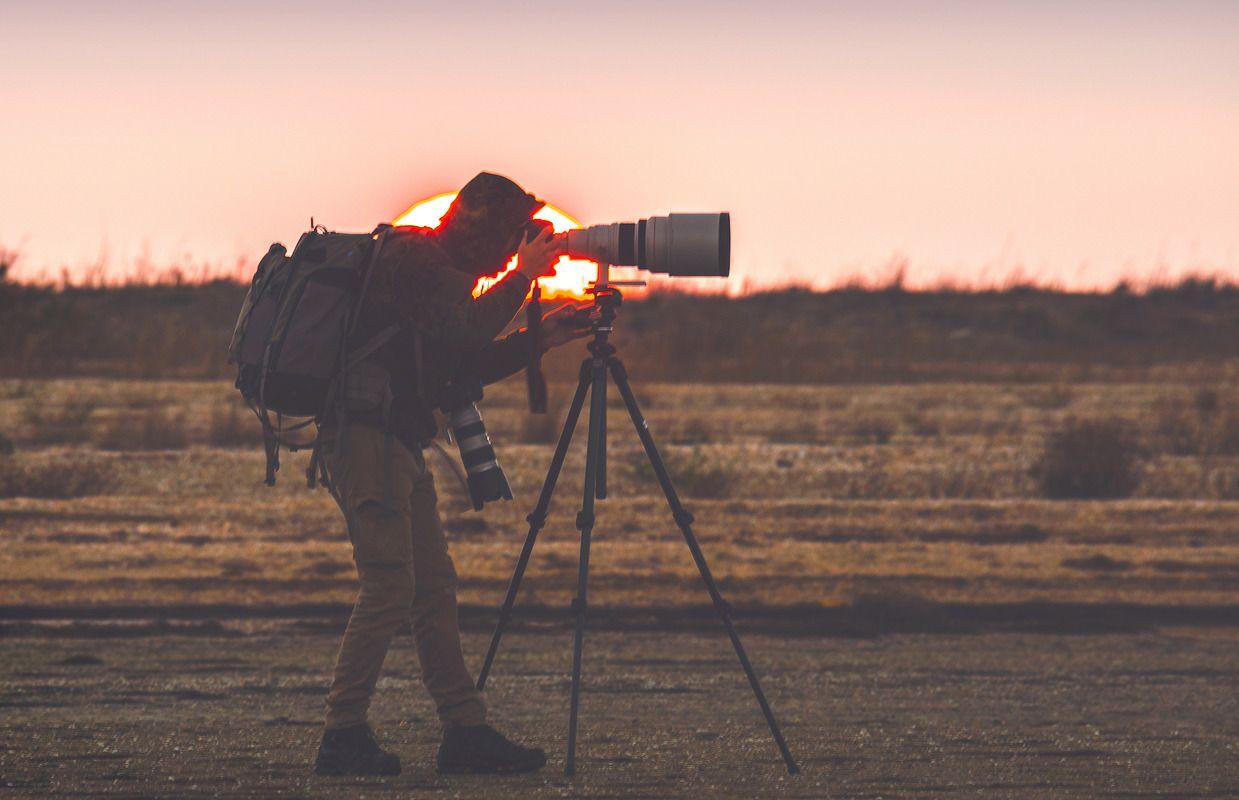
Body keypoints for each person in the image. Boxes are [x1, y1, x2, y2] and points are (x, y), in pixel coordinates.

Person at [313, 172, 590, 776]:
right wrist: (523, 276)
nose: (510, 251)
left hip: (396, 442)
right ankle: (342, 733)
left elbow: (462, 359)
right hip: (366, 439)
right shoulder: (415, 260)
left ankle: (464, 730)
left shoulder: (441, 273)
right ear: (480, 225)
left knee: (433, 588)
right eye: (509, 238)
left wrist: (546, 336)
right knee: (390, 586)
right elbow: (466, 329)